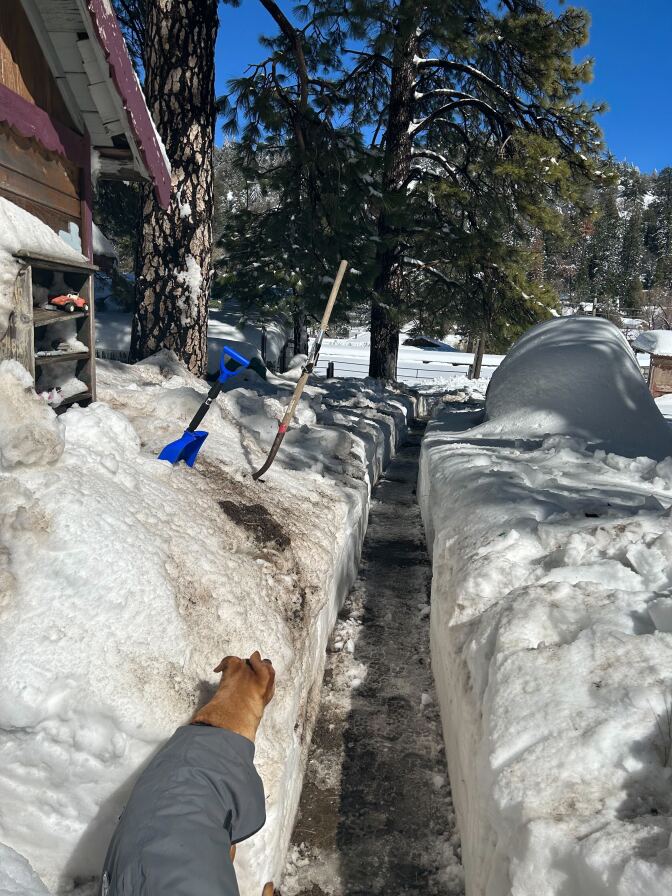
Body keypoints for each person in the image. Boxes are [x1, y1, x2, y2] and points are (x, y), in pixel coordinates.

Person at [100, 652, 276, 895]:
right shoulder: (232, 778)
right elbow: (221, 846)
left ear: (225, 672)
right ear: (267, 689)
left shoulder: (174, 755)